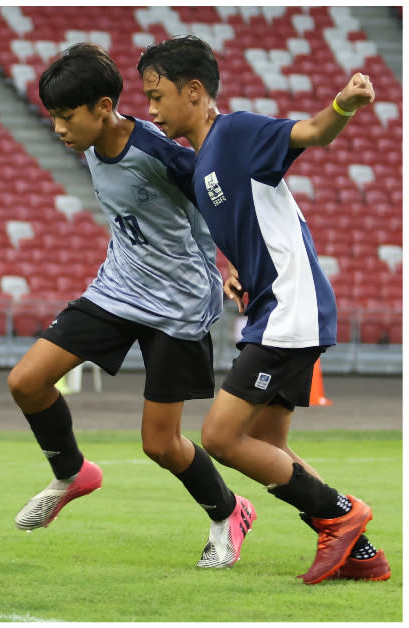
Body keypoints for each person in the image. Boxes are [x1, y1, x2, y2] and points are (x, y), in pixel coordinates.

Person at [137, 35, 389, 584]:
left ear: (195, 91)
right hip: (274, 307)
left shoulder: (238, 131)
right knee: (270, 446)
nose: (151, 109)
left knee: (221, 438)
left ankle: (343, 516)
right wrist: (236, 271)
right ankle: (362, 553)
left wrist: (344, 102)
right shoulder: (205, 160)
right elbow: (252, 224)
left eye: (157, 96)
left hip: (290, 310)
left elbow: (315, 132)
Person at [6, 43, 255, 568]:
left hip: (179, 304)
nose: (58, 130)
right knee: (26, 382)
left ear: (102, 107)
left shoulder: (161, 152)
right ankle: (74, 473)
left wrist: (238, 265)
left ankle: (229, 512)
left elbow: (219, 199)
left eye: (65, 116)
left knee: (160, 444)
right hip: (117, 290)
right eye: (52, 117)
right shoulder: (92, 146)